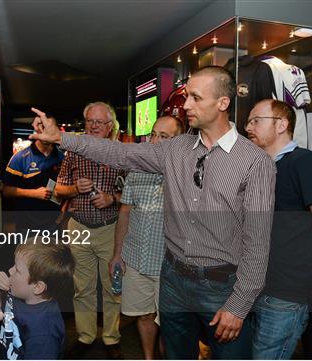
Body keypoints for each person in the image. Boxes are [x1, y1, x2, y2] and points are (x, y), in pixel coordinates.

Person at [31, 66, 276, 359]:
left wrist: (238, 305)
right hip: (172, 278)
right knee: (174, 354)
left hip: (221, 285)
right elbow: (118, 153)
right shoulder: (175, 150)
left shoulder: (255, 163)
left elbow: (258, 244)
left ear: (222, 103)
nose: (185, 106)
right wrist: (61, 138)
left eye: (196, 98)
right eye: (187, 97)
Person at [245, 99, 312, 359]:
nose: (248, 127)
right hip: (255, 288)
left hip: (285, 294)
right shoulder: (260, 168)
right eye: (248, 121)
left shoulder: (304, 162)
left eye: (256, 120)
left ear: (281, 125)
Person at [108, 115, 184, 359]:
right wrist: (117, 254)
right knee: (144, 315)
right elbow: (125, 214)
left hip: (170, 265)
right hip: (137, 259)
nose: (155, 141)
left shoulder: (186, 175)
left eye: (164, 137)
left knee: (172, 321)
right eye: (153, 134)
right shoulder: (137, 171)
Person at [55, 102, 124, 359]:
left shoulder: (120, 153)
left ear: (109, 127)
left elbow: (132, 193)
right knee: (82, 287)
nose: (94, 126)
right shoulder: (73, 152)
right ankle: (85, 337)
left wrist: (112, 198)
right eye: (90, 121)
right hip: (79, 228)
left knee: (111, 287)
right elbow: (58, 190)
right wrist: (75, 189)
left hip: (110, 229)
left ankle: (111, 338)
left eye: (99, 122)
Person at [0, 241, 75, 360]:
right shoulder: (17, 293)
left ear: (37, 287)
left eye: (17, 270)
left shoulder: (43, 335)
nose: (10, 270)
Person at [3, 116, 64, 232]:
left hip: (55, 224)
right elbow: (6, 191)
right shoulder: (20, 158)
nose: (46, 131)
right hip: (27, 225)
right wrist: (34, 193)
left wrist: (64, 211)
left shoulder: (62, 157)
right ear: (36, 128)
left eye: (50, 127)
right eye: (42, 126)